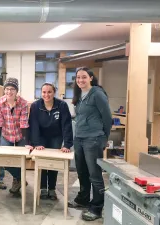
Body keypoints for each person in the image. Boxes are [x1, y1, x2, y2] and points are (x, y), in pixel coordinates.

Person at [67, 67, 112, 221]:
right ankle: (83, 199)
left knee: (95, 174)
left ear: (91, 78)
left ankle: (97, 207)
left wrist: (104, 138)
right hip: (79, 137)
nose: (80, 80)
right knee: (82, 172)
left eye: (84, 77)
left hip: (93, 139)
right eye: (78, 77)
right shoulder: (79, 95)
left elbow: (107, 118)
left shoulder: (97, 94)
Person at [29, 82, 73, 200]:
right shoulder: (35, 106)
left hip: (56, 137)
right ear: (41, 93)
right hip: (41, 137)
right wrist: (36, 143)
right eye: (44, 92)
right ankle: (43, 188)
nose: (46, 94)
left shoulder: (62, 105)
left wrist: (67, 144)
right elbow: (34, 125)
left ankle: (52, 189)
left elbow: (66, 125)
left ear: (54, 93)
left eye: (49, 92)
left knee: (53, 162)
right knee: (43, 162)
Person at [0, 77, 33, 196]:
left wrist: (27, 142)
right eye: (7, 89)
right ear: (4, 90)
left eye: (12, 89)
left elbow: (24, 124)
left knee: (20, 160)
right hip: (6, 134)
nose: (9, 92)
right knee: (4, 160)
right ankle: (20, 178)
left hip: (20, 135)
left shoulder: (23, 103)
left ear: (16, 91)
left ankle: (16, 181)